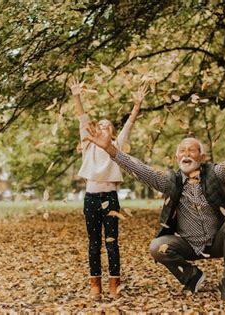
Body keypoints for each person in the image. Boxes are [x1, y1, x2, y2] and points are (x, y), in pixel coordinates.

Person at [82, 99, 225, 300]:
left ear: (202, 157)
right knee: (157, 246)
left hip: (217, 242)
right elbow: (138, 168)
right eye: (182, 151)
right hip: (186, 245)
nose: (186, 154)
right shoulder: (168, 181)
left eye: (192, 150)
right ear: (176, 158)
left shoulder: (215, 173)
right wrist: (110, 149)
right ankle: (192, 276)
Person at [68, 77, 148, 299]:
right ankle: (95, 284)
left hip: (110, 198)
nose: (103, 126)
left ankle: (115, 283)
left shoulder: (117, 147)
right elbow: (82, 119)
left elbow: (130, 124)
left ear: (112, 133)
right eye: (99, 124)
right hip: (91, 198)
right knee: (94, 243)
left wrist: (137, 105)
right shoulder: (88, 144)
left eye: (107, 125)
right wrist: (76, 95)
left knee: (111, 242)